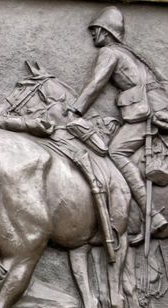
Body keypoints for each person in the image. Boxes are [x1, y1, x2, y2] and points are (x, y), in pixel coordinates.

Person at [66, 6, 168, 242]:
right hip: (155, 108)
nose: (92, 35)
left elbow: (96, 84)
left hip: (148, 112)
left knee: (116, 151)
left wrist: (75, 111)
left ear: (106, 32)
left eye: (96, 30)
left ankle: (153, 216)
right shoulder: (128, 53)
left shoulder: (110, 53)